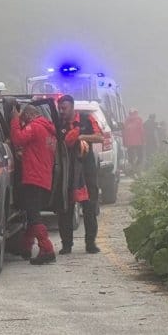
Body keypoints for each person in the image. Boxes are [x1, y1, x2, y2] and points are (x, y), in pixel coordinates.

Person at [52, 94, 104, 254]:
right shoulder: (57, 123)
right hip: (66, 170)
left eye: (64, 108)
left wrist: (81, 137)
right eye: (60, 108)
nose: (61, 111)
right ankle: (66, 245)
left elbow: (100, 137)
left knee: (89, 207)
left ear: (72, 107)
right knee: (65, 208)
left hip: (86, 170)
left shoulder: (86, 120)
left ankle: (90, 243)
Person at [8, 103, 58, 265]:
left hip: (33, 179)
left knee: (34, 216)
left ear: (28, 116)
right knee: (31, 214)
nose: (24, 124)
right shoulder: (49, 130)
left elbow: (17, 139)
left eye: (24, 120)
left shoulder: (35, 127)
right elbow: (37, 151)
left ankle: (47, 249)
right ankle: (25, 247)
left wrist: (15, 119)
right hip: (44, 178)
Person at [122, 109, 145, 175]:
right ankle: (137, 169)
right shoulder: (139, 120)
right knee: (140, 156)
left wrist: (124, 142)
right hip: (138, 142)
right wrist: (143, 140)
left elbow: (124, 132)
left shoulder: (126, 121)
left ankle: (132, 168)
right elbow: (141, 131)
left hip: (129, 143)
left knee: (131, 157)